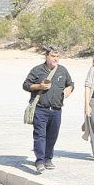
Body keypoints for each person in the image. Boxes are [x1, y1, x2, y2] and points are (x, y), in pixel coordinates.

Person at [22, 46, 74, 174]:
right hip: (40, 109)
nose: (55, 59)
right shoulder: (37, 70)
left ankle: (48, 159)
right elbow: (26, 85)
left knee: (52, 136)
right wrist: (39, 86)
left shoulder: (62, 70)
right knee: (40, 135)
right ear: (46, 56)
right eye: (52, 56)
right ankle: (40, 161)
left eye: (57, 56)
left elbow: (71, 84)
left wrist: (68, 90)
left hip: (56, 110)